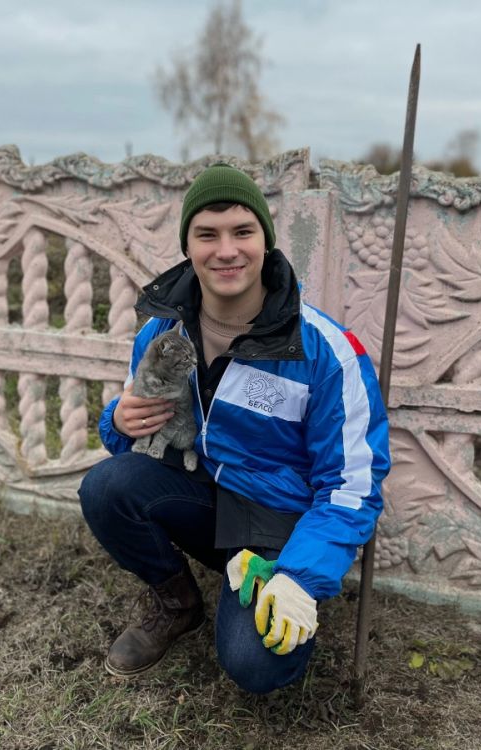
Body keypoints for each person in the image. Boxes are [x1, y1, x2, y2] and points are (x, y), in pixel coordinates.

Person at [78, 163, 390, 694]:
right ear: (189, 247)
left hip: (274, 521)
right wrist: (118, 420)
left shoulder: (326, 350)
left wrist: (300, 576)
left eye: (242, 232)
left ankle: (273, 588)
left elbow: (353, 485)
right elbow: (139, 438)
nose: (226, 250)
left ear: (265, 241)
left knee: (255, 664)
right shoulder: (162, 329)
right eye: (207, 234)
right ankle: (177, 603)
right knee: (106, 486)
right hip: (201, 496)